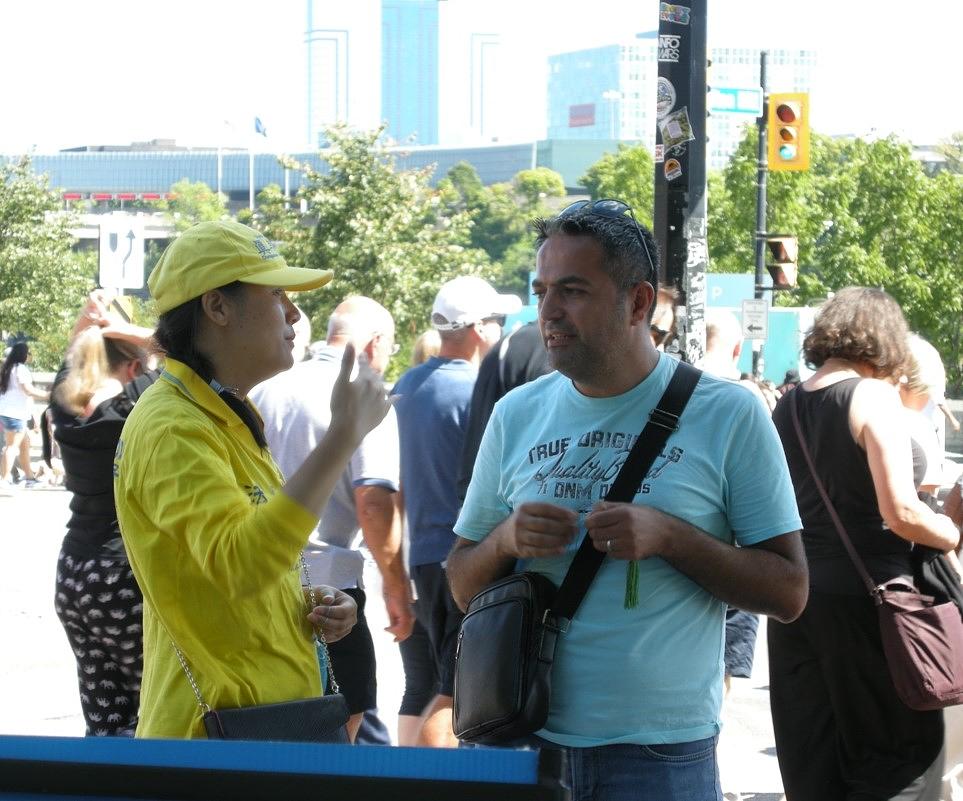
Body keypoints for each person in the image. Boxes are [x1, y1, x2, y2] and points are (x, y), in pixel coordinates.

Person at [448, 199, 807, 800]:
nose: (548, 312)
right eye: (542, 291)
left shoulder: (729, 414)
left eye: (572, 291)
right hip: (517, 742)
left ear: (639, 303)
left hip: (658, 758)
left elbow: (789, 592)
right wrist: (505, 540)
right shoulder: (516, 414)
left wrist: (671, 538)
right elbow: (461, 585)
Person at [113, 220, 391, 739]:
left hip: (261, 731)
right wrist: (342, 436)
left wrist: (307, 602)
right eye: (277, 294)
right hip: (214, 744)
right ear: (217, 307)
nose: (294, 313)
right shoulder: (173, 425)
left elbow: (232, 574)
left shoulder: (222, 411)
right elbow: (241, 564)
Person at [768, 287, 959, 801]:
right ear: (885, 338)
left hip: (799, 596)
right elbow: (902, 513)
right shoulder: (871, 396)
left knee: (815, 756)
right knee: (898, 756)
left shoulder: (789, 405)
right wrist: (950, 532)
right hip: (871, 599)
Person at [250, 295, 412, 742]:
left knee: (268, 733)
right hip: (330, 591)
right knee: (337, 739)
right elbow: (374, 502)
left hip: (261, 584)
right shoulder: (366, 394)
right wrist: (397, 587)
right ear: (376, 342)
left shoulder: (266, 387)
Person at [393, 275, 521, 747]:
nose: (502, 330)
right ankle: (429, 780)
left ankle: (411, 774)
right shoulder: (475, 390)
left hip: (423, 556)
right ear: (479, 328)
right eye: (498, 320)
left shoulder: (408, 384)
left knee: (428, 685)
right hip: (464, 559)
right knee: (452, 693)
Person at [48, 294, 156, 736]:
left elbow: (70, 361)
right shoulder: (134, 405)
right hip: (122, 575)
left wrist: (90, 325)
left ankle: (105, 770)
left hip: (74, 573)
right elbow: (180, 349)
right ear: (132, 367)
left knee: (106, 715)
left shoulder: (65, 406)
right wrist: (120, 328)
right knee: (152, 709)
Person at [0, 342, 50, 489]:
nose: (30, 356)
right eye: (28, 353)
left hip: (9, 412)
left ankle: (29, 478)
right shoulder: (20, 369)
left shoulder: (8, 368)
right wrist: (48, 395)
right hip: (15, 414)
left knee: (25, 445)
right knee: (11, 447)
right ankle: (5, 479)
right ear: (23, 355)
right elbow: (28, 390)